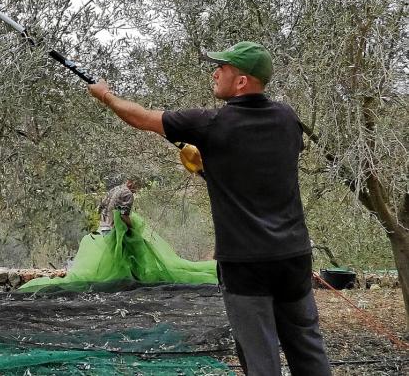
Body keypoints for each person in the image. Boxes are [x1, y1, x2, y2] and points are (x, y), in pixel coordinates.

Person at [88, 41, 331, 375]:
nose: (215, 73)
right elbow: (260, 171)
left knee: (260, 358)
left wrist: (105, 95)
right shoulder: (288, 118)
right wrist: (208, 168)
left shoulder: (210, 123)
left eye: (222, 68)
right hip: (294, 257)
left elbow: (141, 118)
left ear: (241, 81)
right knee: (308, 349)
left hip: (245, 266)